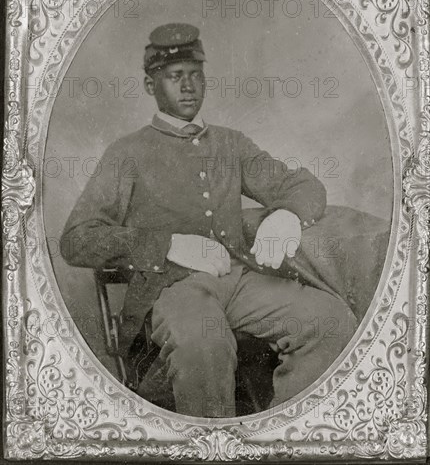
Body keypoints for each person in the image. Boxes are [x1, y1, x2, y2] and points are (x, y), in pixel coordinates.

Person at [61, 23, 357, 418]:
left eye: (196, 75)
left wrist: (286, 214)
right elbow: (77, 240)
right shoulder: (127, 153)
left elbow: (301, 185)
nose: (188, 86)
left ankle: (280, 441)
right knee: (204, 344)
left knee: (330, 320)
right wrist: (169, 244)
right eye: (174, 76)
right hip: (172, 288)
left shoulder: (230, 143)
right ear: (151, 86)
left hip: (240, 280)